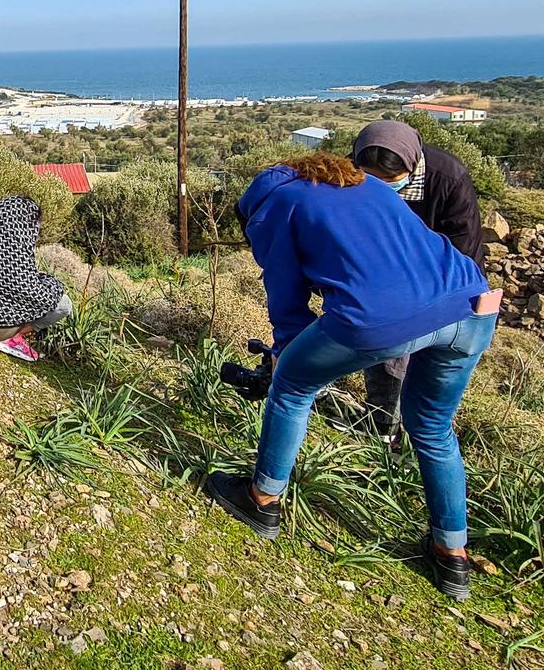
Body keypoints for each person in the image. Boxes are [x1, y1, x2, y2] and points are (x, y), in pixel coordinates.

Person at [204, 155, 498, 600]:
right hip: (472, 303)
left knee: (292, 389)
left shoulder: (272, 207)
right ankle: (451, 555)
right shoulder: (371, 186)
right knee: (433, 428)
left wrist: (285, 353)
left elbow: (286, 297)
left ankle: (262, 501)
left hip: (380, 318)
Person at [350, 119, 487, 442]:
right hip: (384, 281)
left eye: (392, 181)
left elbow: (463, 248)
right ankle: (382, 433)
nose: (382, 189)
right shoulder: (351, 172)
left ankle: (419, 439)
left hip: (446, 285)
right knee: (387, 360)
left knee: (430, 375)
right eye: (373, 181)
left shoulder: (447, 178)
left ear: (411, 166)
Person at [0, 196, 72, 362]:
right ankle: (15, 336)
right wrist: (53, 283)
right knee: (64, 303)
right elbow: (40, 297)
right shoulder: (17, 254)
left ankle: (5, 331)